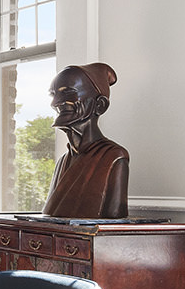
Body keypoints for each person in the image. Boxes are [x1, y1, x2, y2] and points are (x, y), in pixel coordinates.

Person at [41, 62, 129, 220]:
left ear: (100, 105)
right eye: (53, 95)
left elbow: (113, 223)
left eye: (68, 93)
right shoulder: (62, 161)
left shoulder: (113, 157)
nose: (54, 103)